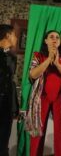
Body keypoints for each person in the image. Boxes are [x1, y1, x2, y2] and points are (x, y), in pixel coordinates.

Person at [26, 30, 61, 156]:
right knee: (37, 134)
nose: (55, 39)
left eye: (57, 37)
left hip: (60, 98)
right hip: (41, 97)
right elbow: (32, 75)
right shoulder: (38, 55)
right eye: (51, 37)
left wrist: (57, 64)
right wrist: (49, 59)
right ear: (46, 41)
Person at [0, 24, 18, 156]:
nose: (16, 38)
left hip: (7, 106)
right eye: (14, 34)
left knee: (4, 142)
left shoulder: (12, 57)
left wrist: (14, 106)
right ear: (7, 35)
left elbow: (10, 81)